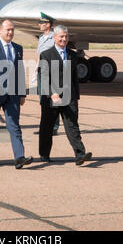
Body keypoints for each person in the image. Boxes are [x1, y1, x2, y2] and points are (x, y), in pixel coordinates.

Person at [0, 19, 33, 169]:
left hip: (13, 94)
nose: (10, 32)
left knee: (14, 125)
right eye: (8, 29)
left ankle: (19, 157)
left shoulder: (18, 48)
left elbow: (20, 71)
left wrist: (22, 93)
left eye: (12, 30)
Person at [38, 25, 92, 165]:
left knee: (72, 125)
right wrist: (51, 93)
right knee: (47, 127)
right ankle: (44, 154)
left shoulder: (73, 55)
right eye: (61, 36)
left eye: (66, 36)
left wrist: (76, 97)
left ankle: (80, 154)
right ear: (54, 37)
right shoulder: (46, 55)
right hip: (51, 98)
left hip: (69, 97)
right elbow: (43, 77)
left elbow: (74, 78)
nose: (64, 39)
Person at [33, 12, 60, 136]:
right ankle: (45, 126)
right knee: (43, 98)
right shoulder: (42, 38)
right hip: (41, 70)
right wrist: (36, 68)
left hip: (51, 70)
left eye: (41, 23)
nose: (39, 25)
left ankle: (53, 127)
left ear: (48, 24)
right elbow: (39, 54)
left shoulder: (55, 37)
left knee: (53, 97)